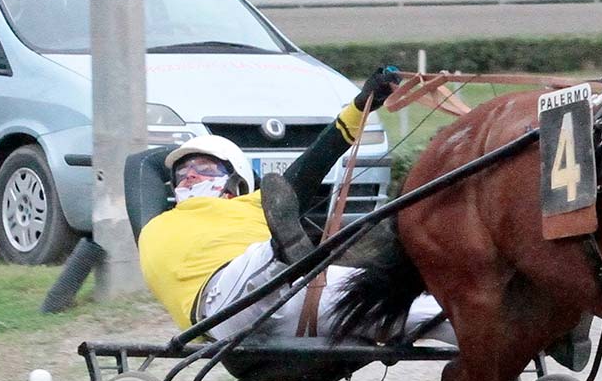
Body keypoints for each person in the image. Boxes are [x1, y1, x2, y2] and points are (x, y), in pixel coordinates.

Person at [137, 67, 453, 344]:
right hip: (220, 307)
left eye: (205, 169)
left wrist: (361, 104)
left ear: (238, 184)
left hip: (298, 299)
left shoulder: (259, 203)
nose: (191, 176)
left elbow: (318, 158)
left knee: (424, 307)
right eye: (182, 172)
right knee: (258, 258)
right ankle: (284, 252)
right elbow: (137, 164)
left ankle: (497, 340)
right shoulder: (156, 225)